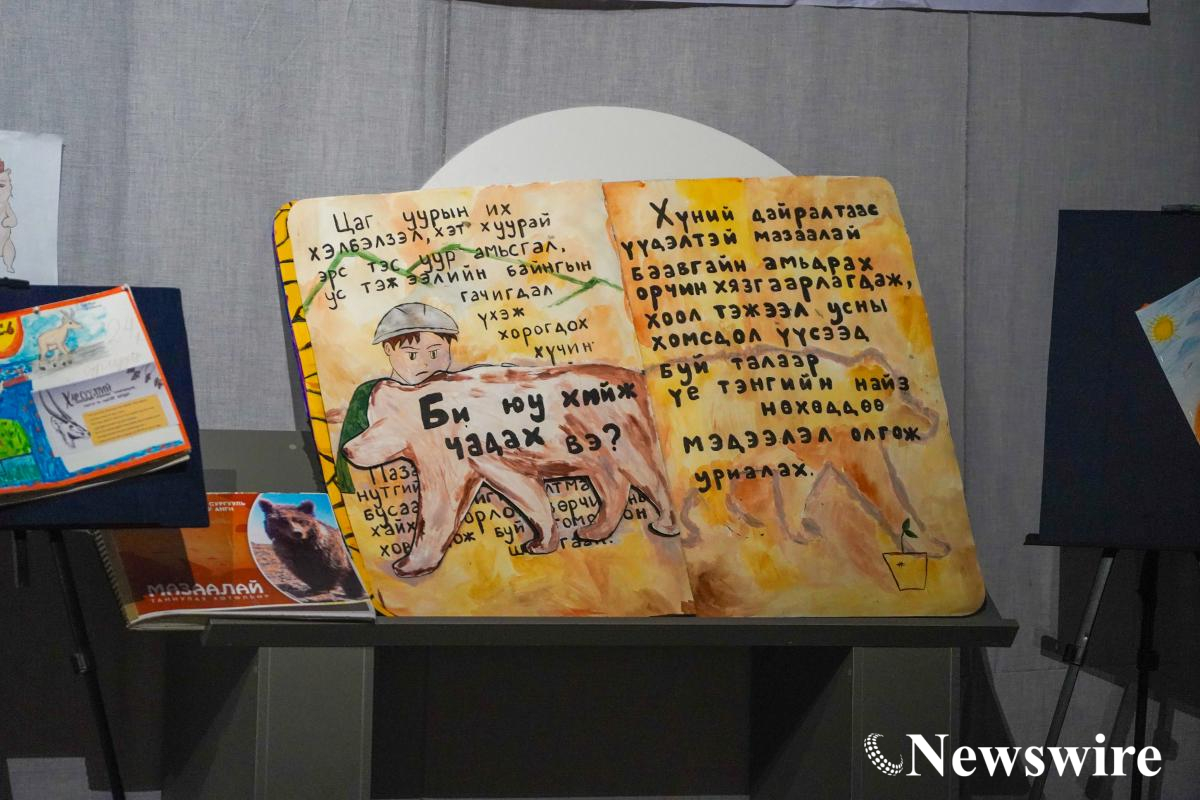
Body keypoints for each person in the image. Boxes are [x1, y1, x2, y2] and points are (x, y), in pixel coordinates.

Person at [333, 303, 459, 493]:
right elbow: (347, 458)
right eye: (412, 354)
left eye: (434, 353)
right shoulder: (370, 394)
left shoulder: (457, 388)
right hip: (387, 490)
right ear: (388, 349)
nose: (425, 363)